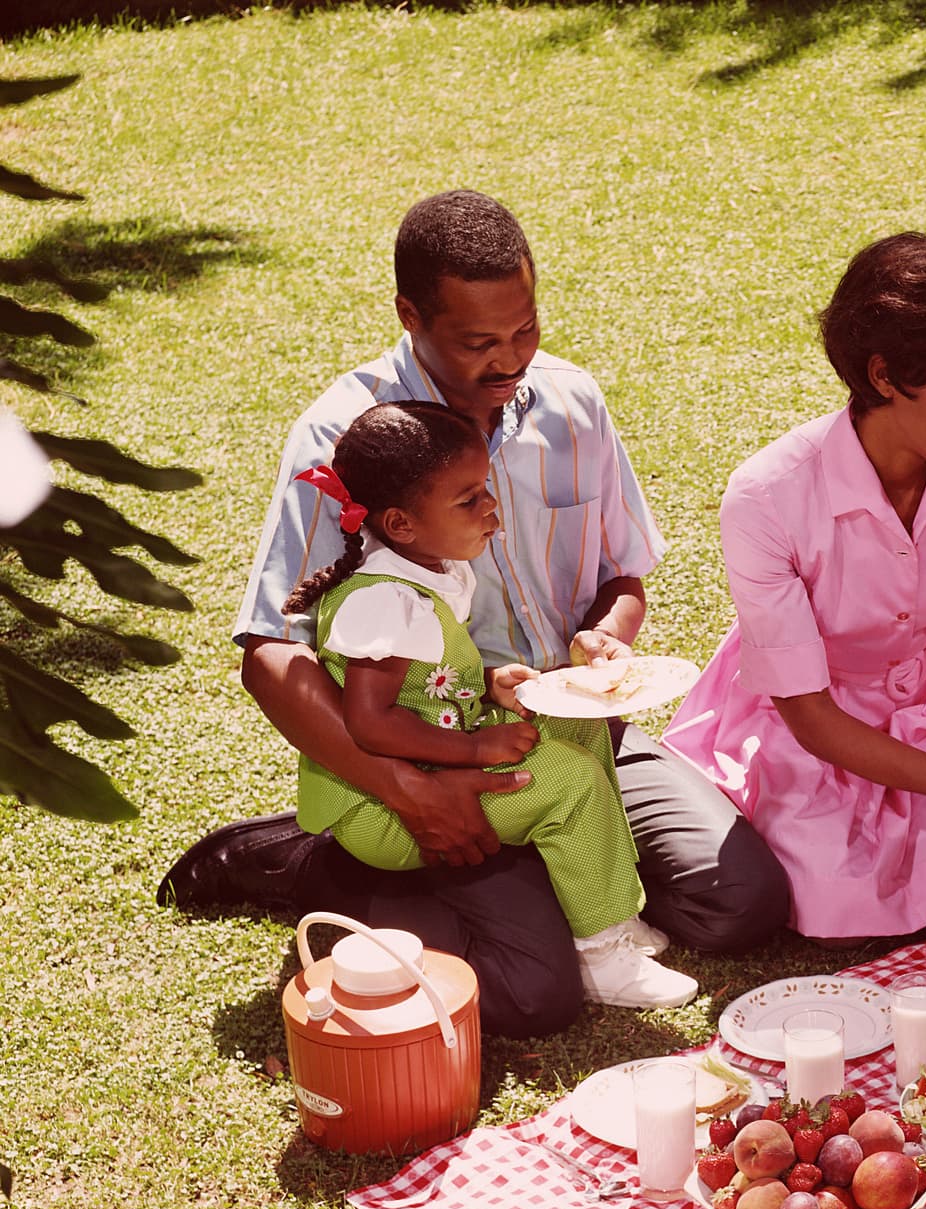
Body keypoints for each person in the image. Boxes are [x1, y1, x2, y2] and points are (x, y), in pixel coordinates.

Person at [160, 189, 787, 1035]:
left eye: (524, 330)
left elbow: (624, 576)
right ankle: (317, 857)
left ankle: (548, 871)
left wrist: (608, 635)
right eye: (478, 342)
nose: (511, 361)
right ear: (410, 316)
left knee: (739, 906)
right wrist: (407, 788)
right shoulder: (344, 440)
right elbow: (272, 654)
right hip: (423, 746)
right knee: (534, 996)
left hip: (569, 731)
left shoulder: (572, 405)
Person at [659, 228, 926, 942]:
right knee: (833, 902)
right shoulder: (766, 497)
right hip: (808, 725)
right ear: (886, 375)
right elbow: (810, 714)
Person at [283, 401, 694, 1006]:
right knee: (569, 783)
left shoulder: (430, 569)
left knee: (576, 722)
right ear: (401, 524)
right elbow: (369, 721)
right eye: (469, 499)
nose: (491, 508)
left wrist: (496, 682)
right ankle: (600, 958)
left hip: (436, 749)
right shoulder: (385, 600)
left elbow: (427, 681)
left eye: (486, 490)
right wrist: (474, 746)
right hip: (385, 805)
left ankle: (611, 914)